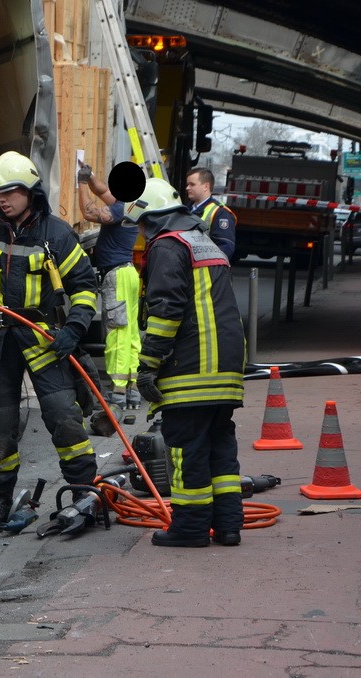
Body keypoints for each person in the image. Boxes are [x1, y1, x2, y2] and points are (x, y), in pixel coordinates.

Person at [0, 151, 99, 528]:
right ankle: (0, 499)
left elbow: (84, 288)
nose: (2, 199)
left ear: (30, 191)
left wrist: (73, 330)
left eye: (10, 191)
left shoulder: (56, 234)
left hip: (43, 340)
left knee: (64, 418)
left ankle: (85, 491)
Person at [124, 178, 246, 548]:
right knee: (219, 445)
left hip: (192, 368)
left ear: (153, 218)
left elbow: (165, 312)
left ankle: (191, 528)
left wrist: (147, 365)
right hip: (226, 368)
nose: (141, 234)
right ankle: (228, 525)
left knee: (186, 448)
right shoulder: (202, 240)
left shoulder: (167, 247)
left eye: (142, 225)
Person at [77, 160, 142, 410]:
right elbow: (102, 191)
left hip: (117, 276)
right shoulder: (132, 205)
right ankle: (132, 388)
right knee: (131, 332)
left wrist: (81, 183)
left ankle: (118, 390)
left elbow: (89, 213)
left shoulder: (121, 210)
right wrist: (91, 175)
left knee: (117, 333)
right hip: (128, 275)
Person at [185, 167, 237, 260]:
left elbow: (225, 249)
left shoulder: (221, 213)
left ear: (206, 186)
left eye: (192, 184)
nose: (187, 188)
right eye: (187, 184)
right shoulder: (185, 210)